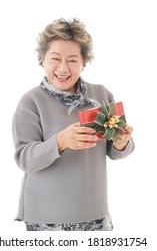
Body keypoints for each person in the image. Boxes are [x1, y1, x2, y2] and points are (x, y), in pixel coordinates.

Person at [12, 18, 135, 231]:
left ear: (83, 62)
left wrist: (122, 142)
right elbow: (25, 159)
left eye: (72, 60)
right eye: (55, 58)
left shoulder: (102, 94)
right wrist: (61, 141)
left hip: (96, 216)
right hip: (46, 219)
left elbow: (116, 153)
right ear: (42, 60)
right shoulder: (31, 101)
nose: (63, 68)